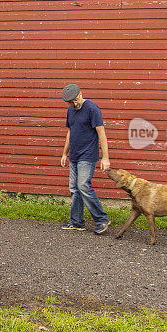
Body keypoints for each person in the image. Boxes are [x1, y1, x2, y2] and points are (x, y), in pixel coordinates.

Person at [60, 83, 111, 234]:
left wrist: (105, 157)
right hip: (74, 155)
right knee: (74, 189)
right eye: (71, 102)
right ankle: (77, 222)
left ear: (81, 93)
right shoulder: (70, 110)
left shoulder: (92, 109)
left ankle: (102, 219)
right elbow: (70, 132)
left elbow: (102, 134)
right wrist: (64, 153)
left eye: (76, 100)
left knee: (83, 186)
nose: (75, 104)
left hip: (88, 155)